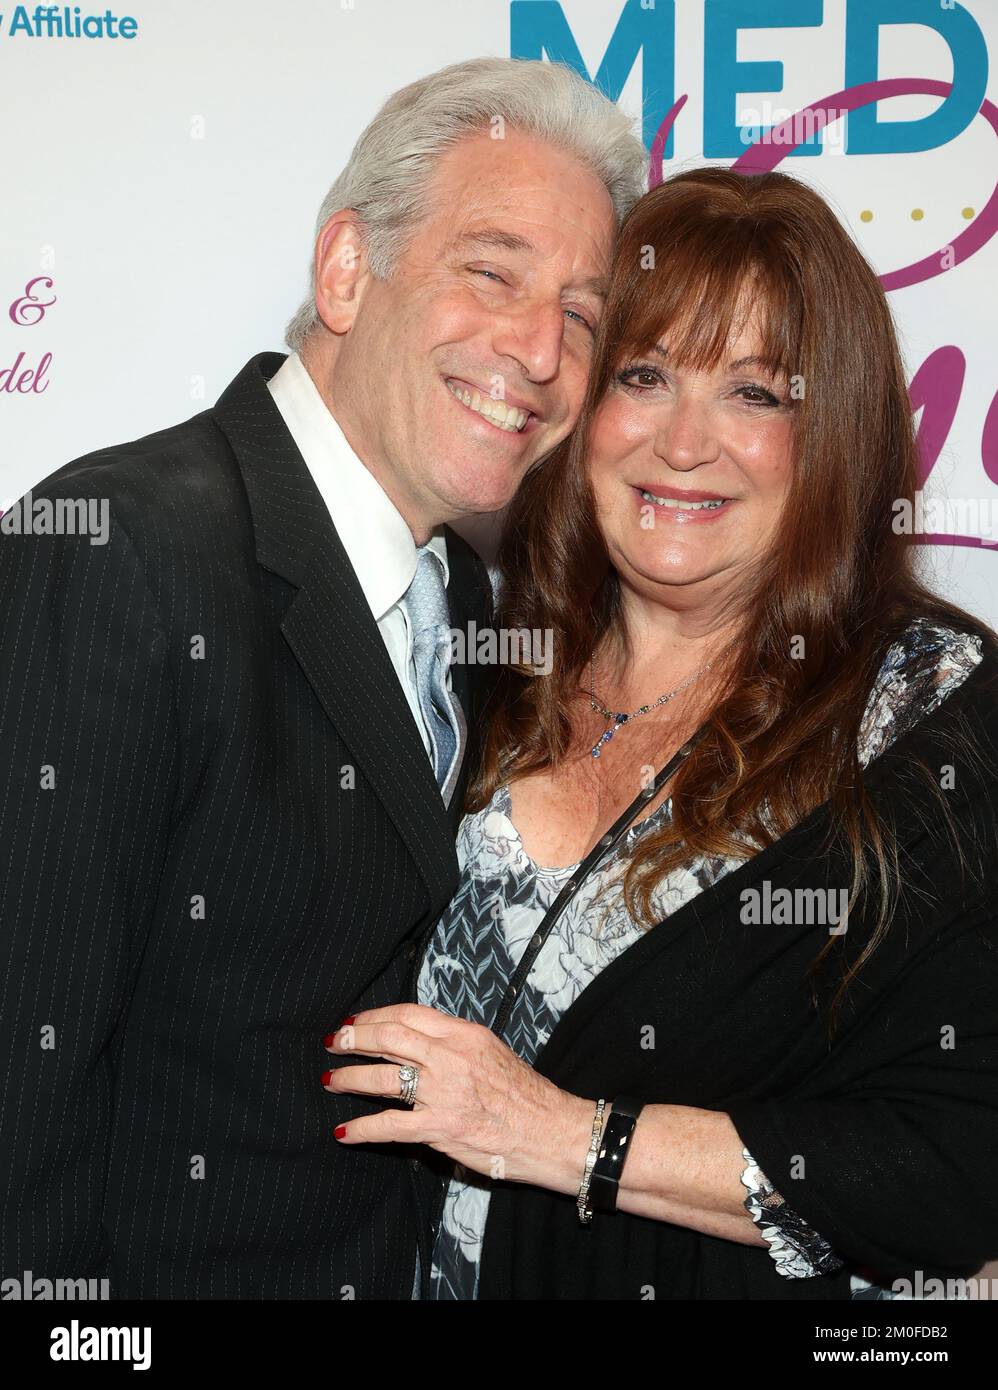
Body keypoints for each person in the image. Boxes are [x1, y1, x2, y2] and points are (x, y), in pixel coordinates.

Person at [0, 57, 645, 1298]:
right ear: (347, 269)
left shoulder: (459, 597)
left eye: (579, 312)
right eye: (491, 269)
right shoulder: (117, 551)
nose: (536, 348)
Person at [323, 166, 998, 1300]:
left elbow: (954, 1165)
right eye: (643, 375)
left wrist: (564, 1135)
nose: (684, 442)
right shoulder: (485, 660)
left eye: (754, 394)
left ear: (829, 431)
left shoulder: (927, 716)